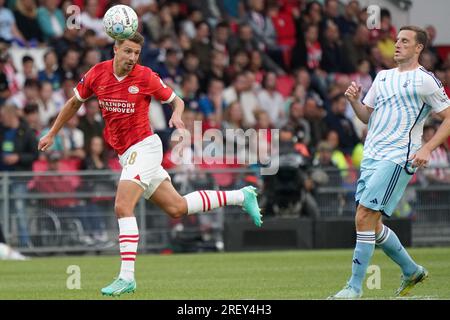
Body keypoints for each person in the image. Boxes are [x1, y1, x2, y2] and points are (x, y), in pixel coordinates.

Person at [38, 32, 262, 297]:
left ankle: (126, 276)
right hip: (127, 154)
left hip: (145, 147)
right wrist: (52, 132)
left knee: (122, 206)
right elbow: (74, 101)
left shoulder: (145, 76)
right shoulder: (97, 73)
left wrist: (177, 117)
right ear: (116, 48)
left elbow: (176, 100)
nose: (132, 58)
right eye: (128, 51)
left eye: (136, 53)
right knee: (177, 207)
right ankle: (241, 196)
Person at [329, 26, 450, 299]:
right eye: (397, 40)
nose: (397, 45)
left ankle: (354, 288)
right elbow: (366, 116)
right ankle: (411, 270)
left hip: (397, 157)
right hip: (371, 155)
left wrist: (429, 147)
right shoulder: (382, 77)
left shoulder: (425, 80)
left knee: (363, 216)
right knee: (372, 223)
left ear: (418, 48)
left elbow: (449, 117)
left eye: (405, 41)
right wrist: (354, 101)